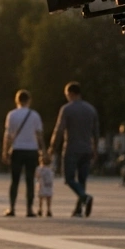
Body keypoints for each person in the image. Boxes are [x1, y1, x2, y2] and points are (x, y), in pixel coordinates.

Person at [48, 81, 99, 218]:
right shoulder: (91, 109)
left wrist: (53, 147)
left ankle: (84, 197)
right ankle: (78, 209)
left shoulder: (67, 109)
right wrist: (95, 148)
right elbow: (96, 132)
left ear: (70, 93)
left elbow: (59, 129)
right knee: (82, 180)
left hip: (71, 148)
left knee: (69, 178)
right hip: (87, 149)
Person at [2, 89, 44, 217]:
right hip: (32, 150)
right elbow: (39, 135)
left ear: (17, 100)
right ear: (29, 100)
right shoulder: (35, 115)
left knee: (14, 180)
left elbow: (8, 135)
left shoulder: (12, 115)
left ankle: (12, 208)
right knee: (30, 180)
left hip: (17, 150)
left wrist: (5, 151)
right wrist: (44, 151)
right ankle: (29, 209)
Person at [36, 153, 55, 217]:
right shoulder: (51, 169)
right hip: (48, 186)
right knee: (48, 198)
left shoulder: (39, 169)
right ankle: (48, 210)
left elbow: (36, 176)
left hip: (42, 185)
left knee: (41, 198)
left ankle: (40, 209)